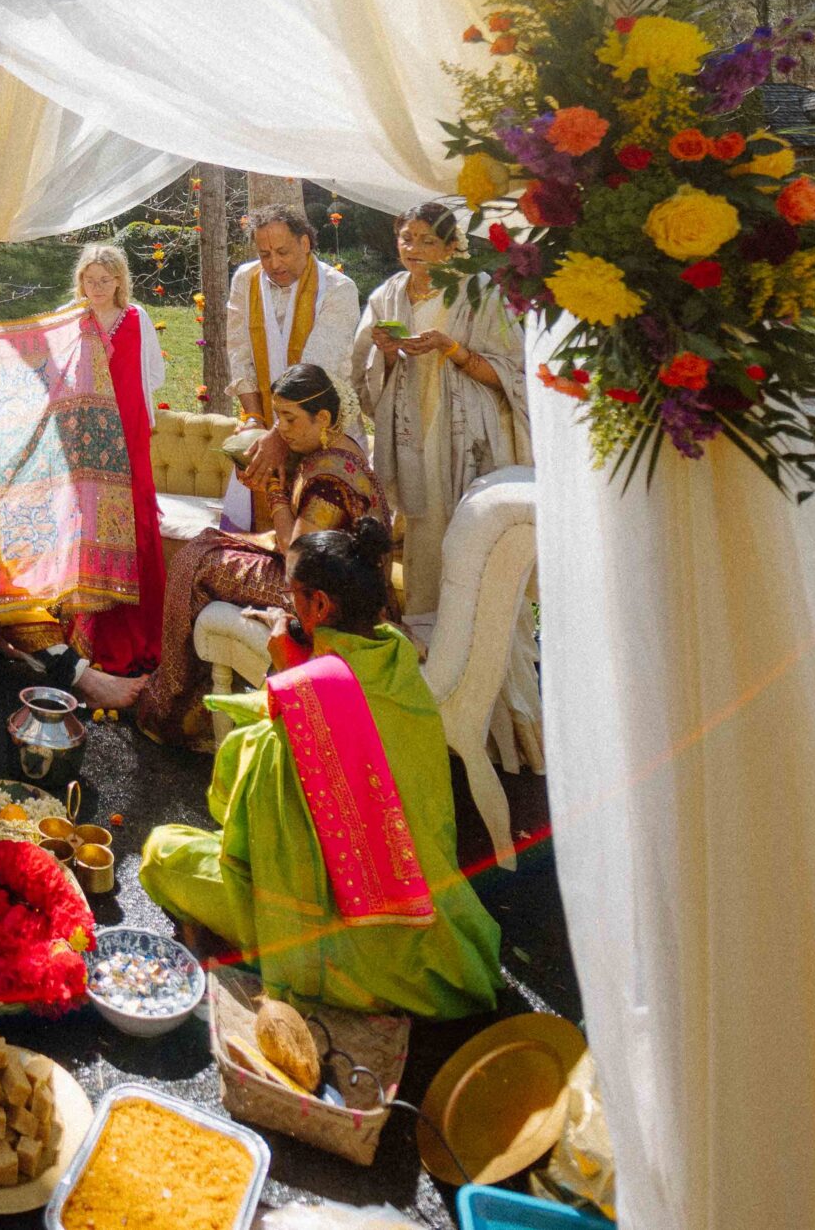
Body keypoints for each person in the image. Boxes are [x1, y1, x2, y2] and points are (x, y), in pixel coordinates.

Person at [139, 522, 502, 1020]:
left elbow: (232, 805)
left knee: (161, 855)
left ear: (320, 607)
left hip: (342, 937)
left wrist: (285, 676)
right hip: (434, 930)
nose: (287, 608)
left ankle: (290, 961)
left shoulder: (308, 701)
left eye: (293, 596)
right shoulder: (399, 663)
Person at [132, 365, 389, 748]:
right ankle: (195, 702)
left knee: (195, 562)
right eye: (278, 417)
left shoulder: (330, 479)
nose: (280, 430)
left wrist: (275, 492)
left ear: (323, 418)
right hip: (336, 582)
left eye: (289, 419)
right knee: (206, 545)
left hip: (325, 599)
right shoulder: (337, 448)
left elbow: (297, 554)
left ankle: (175, 711)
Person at [351, 201, 530, 645]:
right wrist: (387, 351)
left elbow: (513, 374)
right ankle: (432, 652)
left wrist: (452, 349)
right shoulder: (388, 295)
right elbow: (364, 376)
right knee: (424, 541)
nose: (413, 248)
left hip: (469, 440)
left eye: (427, 240)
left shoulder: (480, 293)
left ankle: (484, 655)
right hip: (411, 434)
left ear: (452, 247)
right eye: (406, 238)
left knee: (471, 543)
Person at [66, 243, 169, 678]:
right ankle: (83, 634)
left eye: (105, 281)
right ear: (81, 281)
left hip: (128, 433)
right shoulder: (71, 317)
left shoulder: (137, 318)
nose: (97, 288)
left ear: (120, 281)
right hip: (86, 437)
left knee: (135, 523)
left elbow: (155, 376)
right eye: (90, 281)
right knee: (86, 524)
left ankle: (141, 632)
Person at [226, 207, 361, 524]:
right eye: (265, 254)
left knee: (317, 541)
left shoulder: (339, 289)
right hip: (265, 429)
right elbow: (238, 351)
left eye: (283, 252)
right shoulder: (246, 280)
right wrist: (254, 420)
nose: (274, 263)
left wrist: (277, 436)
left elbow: (316, 372)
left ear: (305, 243)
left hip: (321, 430)